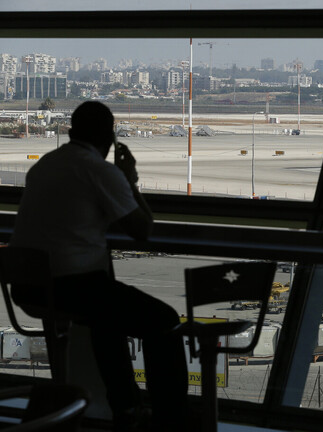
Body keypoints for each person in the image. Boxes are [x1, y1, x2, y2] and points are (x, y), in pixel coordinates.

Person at [10, 101, 189, 431]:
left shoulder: (44, 165)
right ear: (110, 137)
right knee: (165, 321)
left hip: (26, 287)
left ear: (72, 132)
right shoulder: (100, 171)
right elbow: (142, 229)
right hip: (72, 287)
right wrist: (129, 179)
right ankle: (169, 419)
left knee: (107, 318)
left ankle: (126, 408)